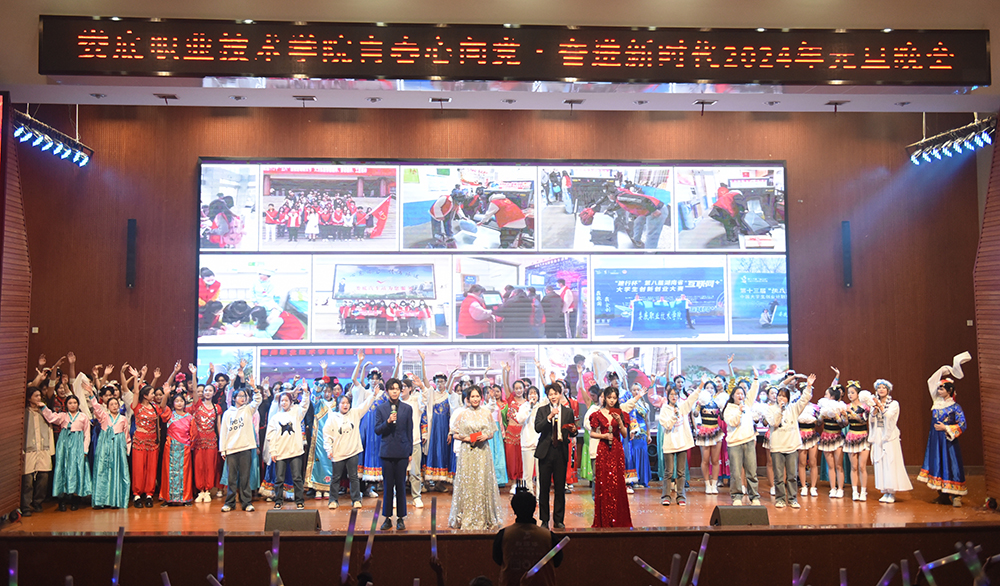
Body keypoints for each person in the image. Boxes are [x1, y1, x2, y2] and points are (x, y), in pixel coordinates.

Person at [919, 354, 971, 507]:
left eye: (942, 388)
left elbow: (963, 424)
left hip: (948, 441)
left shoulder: (955, 407)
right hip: (936, 441)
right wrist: (943, 370)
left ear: (949, 390)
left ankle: (956, 495)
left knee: (951, 464)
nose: (939, 390)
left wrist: (946, 428)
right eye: (939, 388)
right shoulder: (937, 402)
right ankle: (942, 494)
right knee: (938, 463)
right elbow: (931, 381)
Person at [449, 385, 503, 531]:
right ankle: (465, 516)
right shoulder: (462, 414)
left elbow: (492, 432)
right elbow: (454, 433)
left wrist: (486, 436)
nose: (475, 399)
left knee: (482, 481)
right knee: (468, 482)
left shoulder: (486, 413)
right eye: (472, 396)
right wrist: (468, 438)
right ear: (467, 398)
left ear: (481, 397)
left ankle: (485, 516)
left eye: (477, 396)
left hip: (483, 452)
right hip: (467, 452)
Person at [493, 486, 564, 586]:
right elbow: (557, 562)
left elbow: (497, 559)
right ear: (534, 508)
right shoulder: (548, 536)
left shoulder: (503, 535)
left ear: (514, 509)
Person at [325, 387, 383, 509]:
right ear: (338, 405)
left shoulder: (355, 413)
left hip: (353, 451)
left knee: (354, 477)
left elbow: (365, 405)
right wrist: (328, 450)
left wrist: (373, 395)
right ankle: (333, 500)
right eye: (342, 403)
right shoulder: (333, 417)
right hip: (338, 453)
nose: (345, 405)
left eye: (347, 403)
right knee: (336, 477)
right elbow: (327, 434)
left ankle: (356, 499)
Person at [766, 374, 816, 509]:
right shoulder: (770, 409)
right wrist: (780, 410)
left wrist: (809, 386)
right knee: (779, 476)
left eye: (783, 396)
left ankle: (793, 499)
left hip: (792, 446)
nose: (781, 398)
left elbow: (804, 400)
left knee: (792, 476)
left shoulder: (794, 408)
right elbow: (775, 423)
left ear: (788, 398)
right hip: (777, 446)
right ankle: (780, 499)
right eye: (779, 396)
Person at [36, 389, 91, 511]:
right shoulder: (62, 416)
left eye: (75, 403)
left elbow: (87, 434)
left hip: (77, 445)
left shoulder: (83, 417)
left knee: (76, 470)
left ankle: (75, 500)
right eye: (70, 403)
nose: (73, 405)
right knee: (63, 469)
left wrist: (85, 450)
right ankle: (62, 500)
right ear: (66, 405)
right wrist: (43, 407)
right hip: (64, 445)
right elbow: (51, 418)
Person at [533, 384, 577, 529]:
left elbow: (573, 432)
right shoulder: (542, 410)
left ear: (560, 394)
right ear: (547, 396)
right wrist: (549, 417)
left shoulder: (568, 411)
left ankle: (559, 520)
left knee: (559, 488)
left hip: (560, 452)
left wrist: (574, 430)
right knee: (544, 488)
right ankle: (544, 520)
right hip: (545, 452)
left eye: (555, 394)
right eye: (550, 394)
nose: (553, 396)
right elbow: (537, 428)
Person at [589, 386, 631, 528]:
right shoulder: (597, 414)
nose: (612, 400)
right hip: (603, 450)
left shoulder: (621, 414)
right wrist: (604, 436)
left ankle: (618, 518)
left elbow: (624, 434)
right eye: (609, 398)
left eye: (614, 398)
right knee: (603, 483)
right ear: (604, 398)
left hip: (617, 450)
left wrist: (619, 421)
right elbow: (592, 433)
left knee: (618, 482)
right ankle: (604, 518)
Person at [375, 377, 414, 530]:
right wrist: (388, 422)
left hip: (402, 452)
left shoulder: (407, 409)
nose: (395, 392)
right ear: (387, 391)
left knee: (401, 486)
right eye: (392, 389)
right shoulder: (381, 409)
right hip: (387, 452)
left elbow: (409, 431)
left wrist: (409, 451)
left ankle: (401, 518)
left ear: (400, 391)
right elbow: (377, 430)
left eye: (397, 389)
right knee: (388, 486)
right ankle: (387, 518)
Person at [866, 379, 912, 503]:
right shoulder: (874, 404)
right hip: (878, 434)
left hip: (889, 435)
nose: (881, 390)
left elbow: (889, 416)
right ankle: (884, 490)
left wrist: (880, 406)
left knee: (889, 462)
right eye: (879, 388)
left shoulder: (894, 404)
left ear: (888, 390)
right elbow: (871, 420)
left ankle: (891, 491)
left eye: (883, 388)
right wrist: (874, 412)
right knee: (880, 462)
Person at [219, 383, 262, 512]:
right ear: (234, 398)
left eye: (245, 396)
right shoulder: (228, 413)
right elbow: (224, 432)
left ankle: (246, 502)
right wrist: (223, 449)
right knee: (231, 478)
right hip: (231, 448)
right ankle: (229, 503)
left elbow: (258, 400)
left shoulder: (248, 409)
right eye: (240, 396)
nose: (243, 398)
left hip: (245, 448)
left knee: (245, 477)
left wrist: (254, 388)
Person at [266, 389, 309, 509]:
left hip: (295, 451)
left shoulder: (296, 413)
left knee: (297, 478)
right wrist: (273, 451)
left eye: (286, 400)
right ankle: (278, 500)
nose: (284, 403)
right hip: (280, 452)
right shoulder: (275, 417)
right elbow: (270, 436)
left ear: (290, 402)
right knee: (279, 478)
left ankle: (299, 500)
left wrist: (305, 393)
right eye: (282, 401)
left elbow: (304, 405)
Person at [658, 381, 699, 506]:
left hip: (682, 443)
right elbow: (667, 426)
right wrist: (674, 416)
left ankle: (681, 496)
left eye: (676, 394)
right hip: (670, 444)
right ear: (667, 395)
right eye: (671, 394)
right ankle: (666, 496)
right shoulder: (664, 409)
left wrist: (701, 385)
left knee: (681, 472)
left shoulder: (682, 407)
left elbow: (691, 399)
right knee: (668, 472)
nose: (674, 397)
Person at [723, 375, 761, 506]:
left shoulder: (747, 405)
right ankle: (737, 496)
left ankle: (754, 496)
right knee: (736, 473)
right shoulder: (729, 409)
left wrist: (756, 379)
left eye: (742, 394)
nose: (740, 396)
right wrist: (739, 411)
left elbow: (753, 391)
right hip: (734, 444)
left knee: (751, 471)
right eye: (738, 394)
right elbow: (733, 423)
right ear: (733, 396)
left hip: (748, 441)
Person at [23, 386, 57, 516]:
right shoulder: (24, 413)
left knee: (43, 478)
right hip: (29, 450)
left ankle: (37, 502)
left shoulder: (44, 412)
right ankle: (26, 506)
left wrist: (51, 451)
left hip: (44, 449)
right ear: (29, 398)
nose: (38, 398)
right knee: (27, 480)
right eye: (36, 396)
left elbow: (49, 430)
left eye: (39, 396)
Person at [817, 384, 848, 499]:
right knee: (830, 466)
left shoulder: (840, 407)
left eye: (826, 394)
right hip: (826, 436)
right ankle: (833, 488)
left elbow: (844, 424)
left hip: (837, 436)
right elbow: (818, 424)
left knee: (839, 465)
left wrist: (838, 416)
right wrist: (821, 416)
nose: (824, 396)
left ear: (832, 397)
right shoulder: (824, 407)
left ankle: (840, 489)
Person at [843, 381, 871, 501]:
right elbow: (845, 424)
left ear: (858, 393)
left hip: (863, 436)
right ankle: (855, 491)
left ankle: (863, 491)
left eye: (852, 392)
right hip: (851, 436)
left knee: (862, 466)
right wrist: (842, 416)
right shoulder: (847, 407)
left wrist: (851, 413)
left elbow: (863, 420)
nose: (850, 395)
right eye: (848, 393)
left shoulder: (865, 407)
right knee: (853, 466)